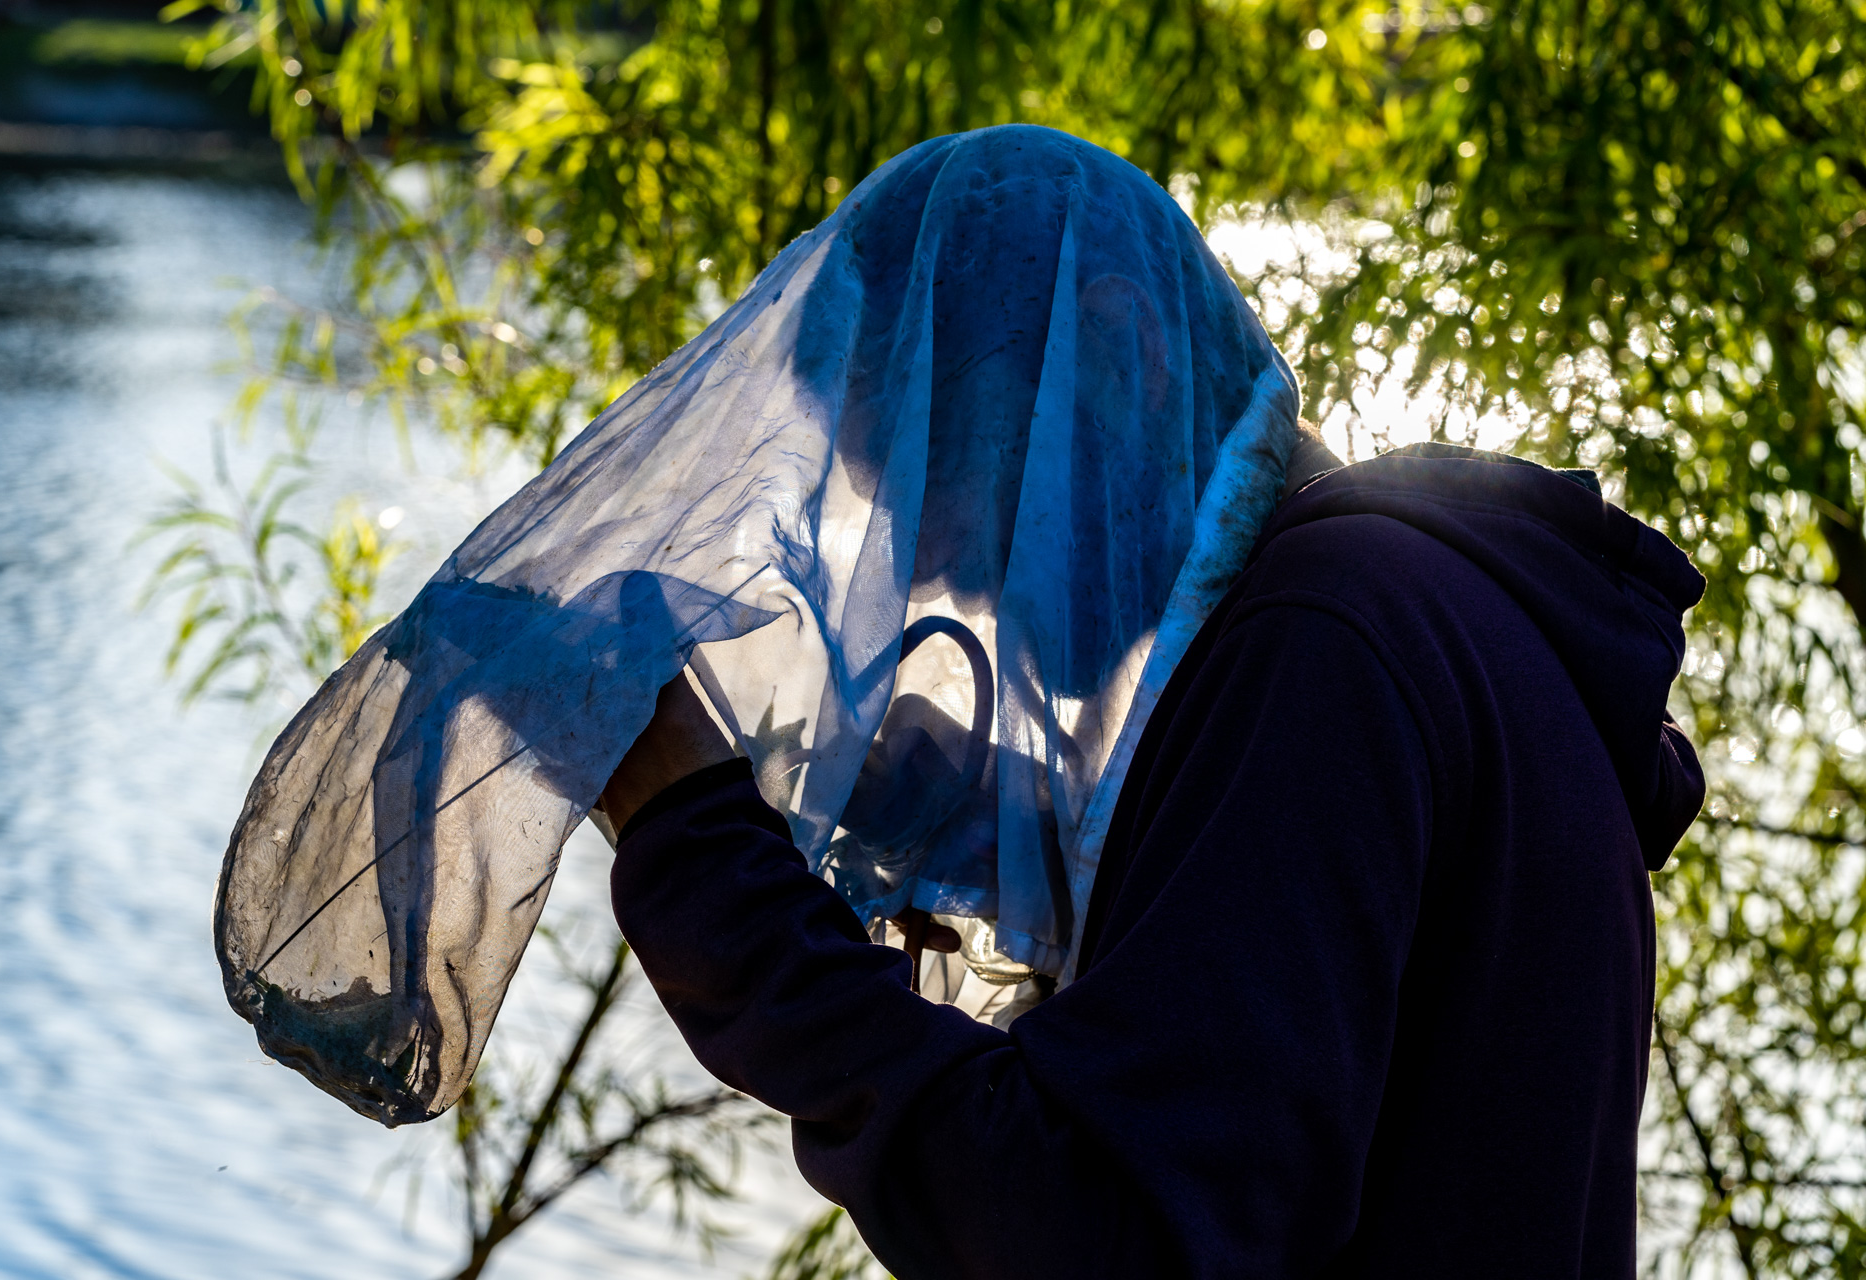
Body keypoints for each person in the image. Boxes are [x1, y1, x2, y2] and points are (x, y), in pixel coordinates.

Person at [596, 238, 1705, 1280]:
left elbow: (1110, 1228)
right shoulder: (1418, 613)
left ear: (1120, 348)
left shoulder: (1328, 636)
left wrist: (697, 847)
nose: (922, 562)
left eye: (929, 471)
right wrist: (1005, 844)